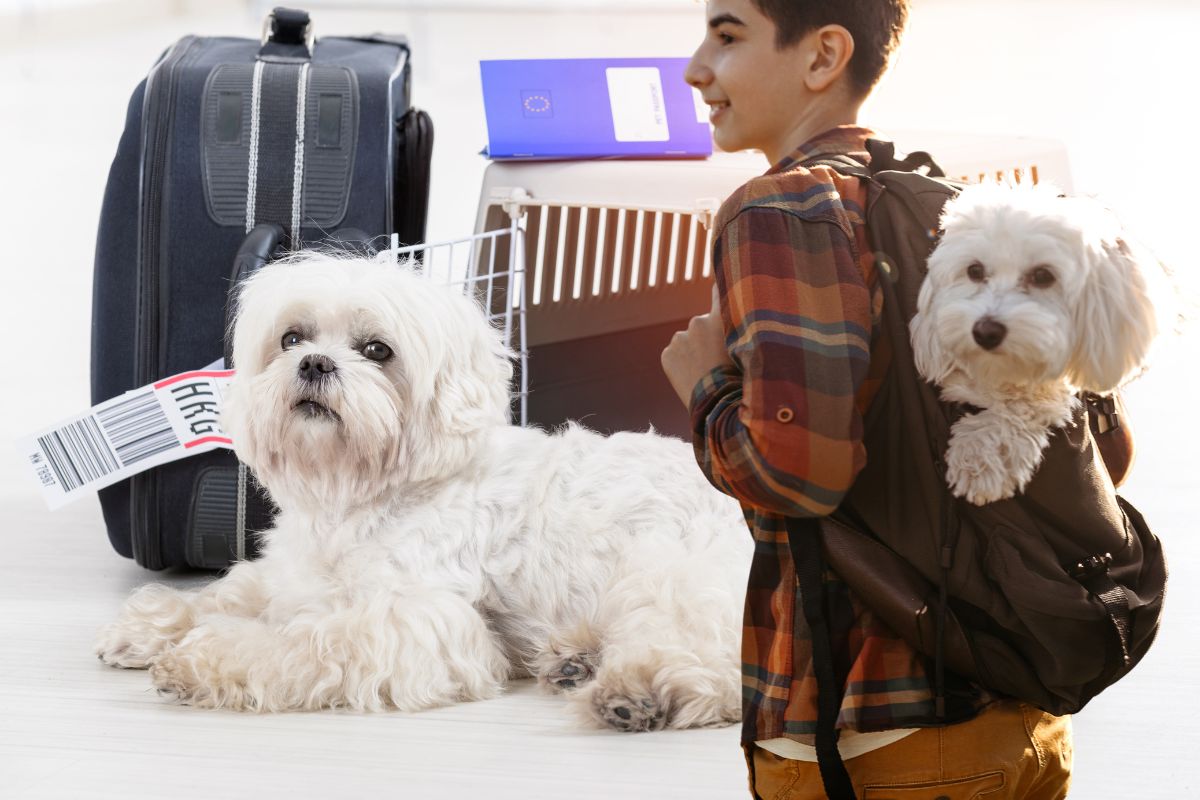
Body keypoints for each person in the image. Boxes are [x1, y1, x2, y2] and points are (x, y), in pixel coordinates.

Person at [661, 1, 1073, 797]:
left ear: (822, 57)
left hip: (874, 742)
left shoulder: (775, 208)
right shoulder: (956, 207)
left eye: (728, 34)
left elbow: (800, 474)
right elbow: (1095, 443)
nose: (695, 67)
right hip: (1020, 717)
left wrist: (705, 385)